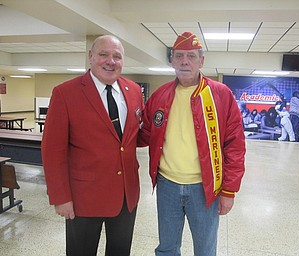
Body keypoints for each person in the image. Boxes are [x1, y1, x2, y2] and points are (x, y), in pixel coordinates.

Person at [139, 32, 246, 256]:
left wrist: (229, 191)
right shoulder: (159, 96)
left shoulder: (220, 95)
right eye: (179, 56)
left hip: (205, 187)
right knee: (167, 248)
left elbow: (234, 145)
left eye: (191, 56)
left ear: (201, 61)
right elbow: (144, 134)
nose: (184, 61)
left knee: (205, 250)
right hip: (167, 184)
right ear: (171, 60)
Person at [41, 35, 144, 256]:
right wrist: (61, 197)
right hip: (83, 198)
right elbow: (52, 151)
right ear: (90, 57)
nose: (111, 61)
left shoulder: (134, 91)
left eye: (117, 56)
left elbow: (135, 136)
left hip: (127, 195)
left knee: (120, 251)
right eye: (103, 54)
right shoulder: (66, 93)